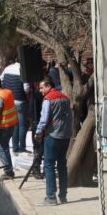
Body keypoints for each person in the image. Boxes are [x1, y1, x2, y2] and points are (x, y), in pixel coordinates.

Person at [35, 77, 73, 205]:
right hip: (66, 135)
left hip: (53, 135)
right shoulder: (65, 98)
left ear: (48, 86)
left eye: (41, 88)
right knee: (62, 165)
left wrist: (38, 132)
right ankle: (63, 196)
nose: (40, 91)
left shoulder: (48, 99)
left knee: (49, 165)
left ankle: (51, 197)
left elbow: (44, 119)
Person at [0, 57, 30, 153]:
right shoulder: (23, 70)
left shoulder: (7, 69)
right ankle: (22, 147)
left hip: (9, 102)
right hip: (20, 101)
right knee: (22, 125)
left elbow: (0, 80)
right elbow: (26, 89)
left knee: (15, 125)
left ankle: (15, 147)